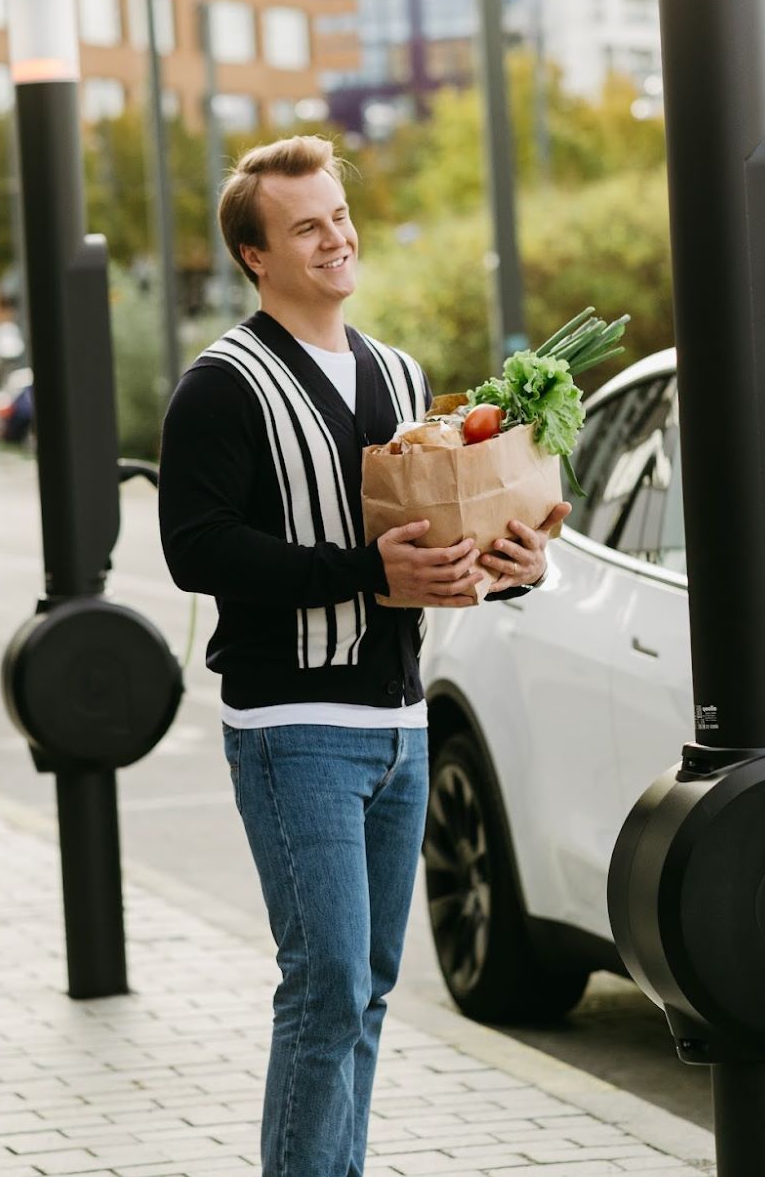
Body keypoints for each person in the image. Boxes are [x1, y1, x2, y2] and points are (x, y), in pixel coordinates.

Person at [159, 135, 567, 1175]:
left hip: (399, 720)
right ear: (255, 254)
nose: (336, 237)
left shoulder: (399, 374)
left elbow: (442, 534)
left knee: (372, 982)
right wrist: (358, 570)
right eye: (306, 225)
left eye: (338, 216)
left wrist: (514, 560)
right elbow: (192, 548)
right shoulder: (221, 384)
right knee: (326, 981)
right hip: (292, 725)